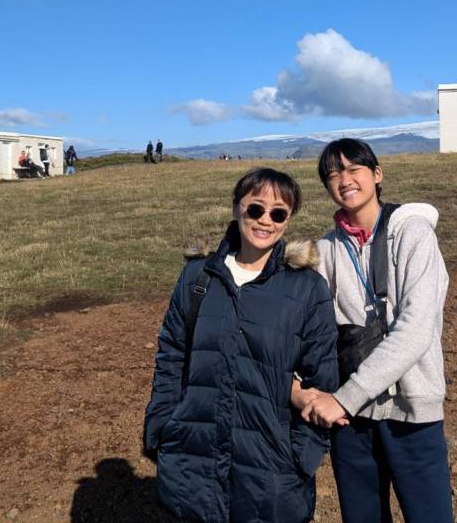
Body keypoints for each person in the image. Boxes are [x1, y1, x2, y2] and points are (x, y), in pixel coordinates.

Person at [144, 168, 338, 523]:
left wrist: (301, 457)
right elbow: (171, 355)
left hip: (271, 470)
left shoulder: (307, 288)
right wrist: (161, 428)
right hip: (194, 459)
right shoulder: (198, 277)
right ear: (237, 207)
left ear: (288, 220)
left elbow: (322, 377)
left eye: (278, 213)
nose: (265, 220)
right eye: (256, 208)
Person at [296, 138, 453, 523]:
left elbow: (416, 329)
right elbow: (304, 327)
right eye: (333, 174)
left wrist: (344, 399)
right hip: (352, 421)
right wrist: (297, 389)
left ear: (377, 174)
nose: (344, 180)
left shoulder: (414, 234)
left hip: (411, 410)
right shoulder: (326, 250)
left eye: (354, 169)